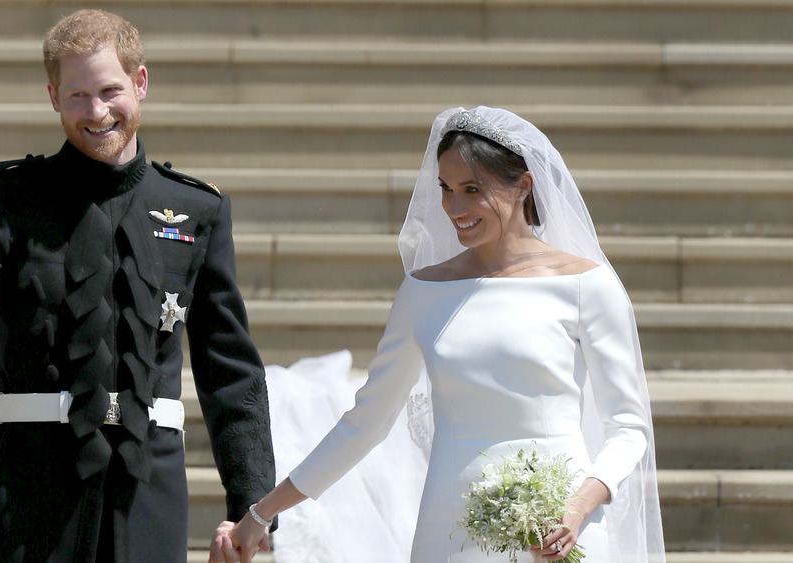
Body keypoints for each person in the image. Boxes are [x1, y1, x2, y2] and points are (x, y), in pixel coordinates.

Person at [213, 106, 665, 563]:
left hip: (559, 529)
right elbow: (365, 423)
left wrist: (578, 506)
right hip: (450, 531)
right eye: (446, 189)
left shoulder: (588, 285)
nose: (454, 208)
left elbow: (628, 428)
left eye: (473, 190)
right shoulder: (423, 291)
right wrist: (261, 513)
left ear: (524, 186)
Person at [0, 9, 276, 562]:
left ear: (141, 83)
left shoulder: (198, 208)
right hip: (26, 496)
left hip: (148, 497)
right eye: (78, 95)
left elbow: (231, 371)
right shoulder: (3, 198)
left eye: (110, 90)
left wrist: (252, 503)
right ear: (54, 97)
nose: (97, 112)